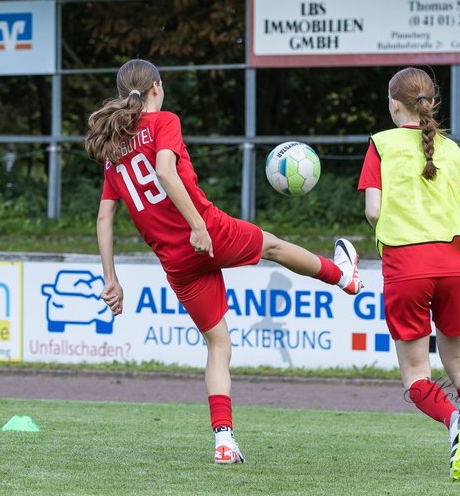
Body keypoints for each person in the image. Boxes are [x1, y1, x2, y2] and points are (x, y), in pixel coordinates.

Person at [88, 59, 363, 465]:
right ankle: (344, 277)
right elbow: (165, 171)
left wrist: (111, 278)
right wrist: (198, 224)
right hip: (206, 231)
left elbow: (104, 217)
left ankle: (223, 440)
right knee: (272, 246)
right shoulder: (163, 121)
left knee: (218, 345)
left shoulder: (114, 150)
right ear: (157, 88)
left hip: (175, 260)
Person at [356, 67, 460, 480]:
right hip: (454, 265)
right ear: (430, 101)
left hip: (407, 265)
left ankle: (453, 421)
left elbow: (373, 211)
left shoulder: (381, 145)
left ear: (393, 103)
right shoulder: (452, 150)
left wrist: (394, 230)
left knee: (415, 377)